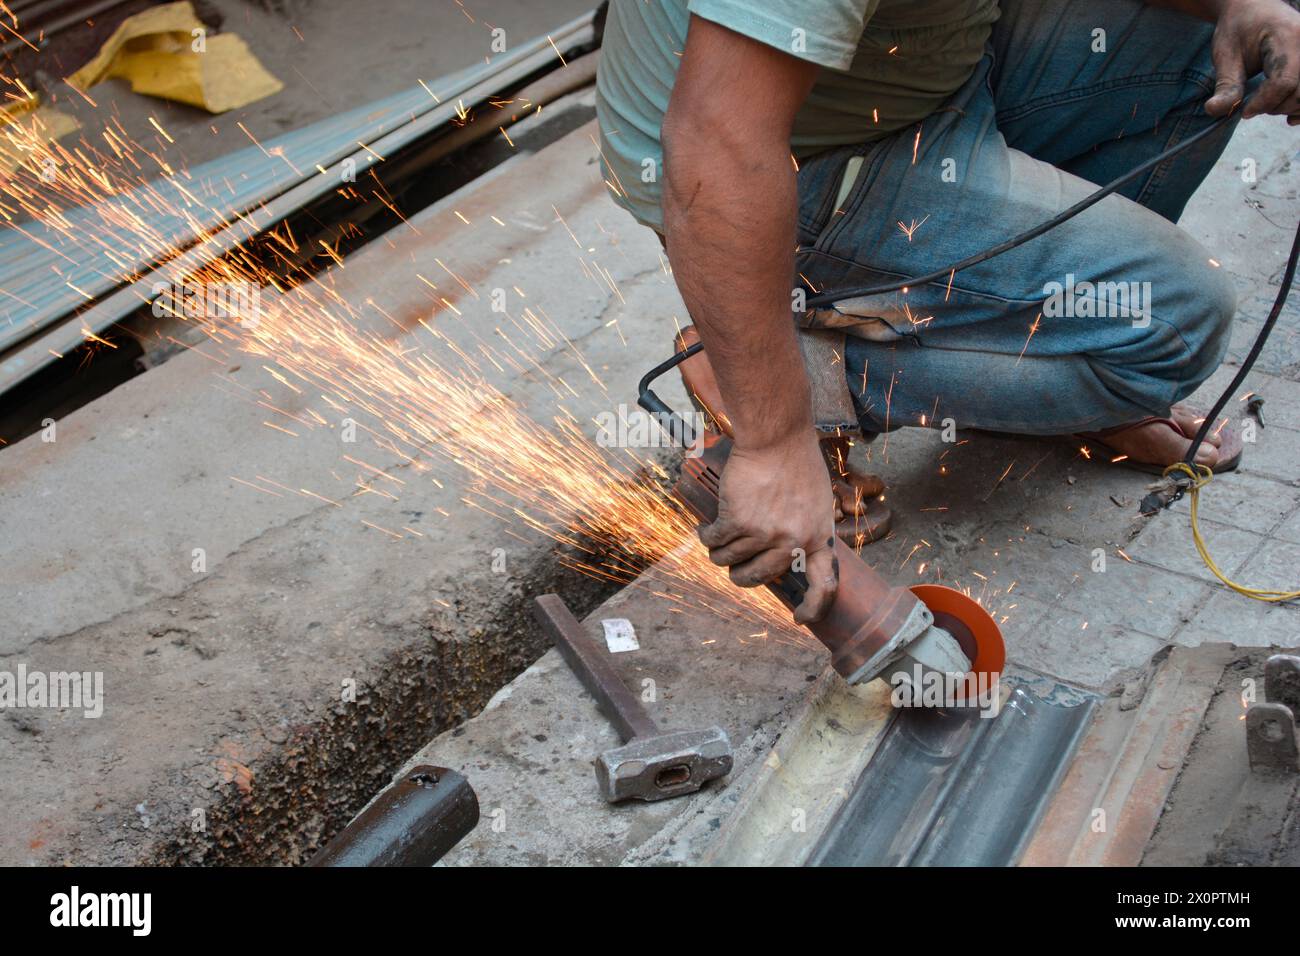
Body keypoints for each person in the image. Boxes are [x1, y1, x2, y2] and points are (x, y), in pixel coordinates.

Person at [595, 0, 1299, 621]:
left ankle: (1065, 353)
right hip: (782, 163)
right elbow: (717, 147)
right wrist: (773, 438)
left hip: (930, 69)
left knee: (1201, 41)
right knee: (1176, 321)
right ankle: (799, 373)